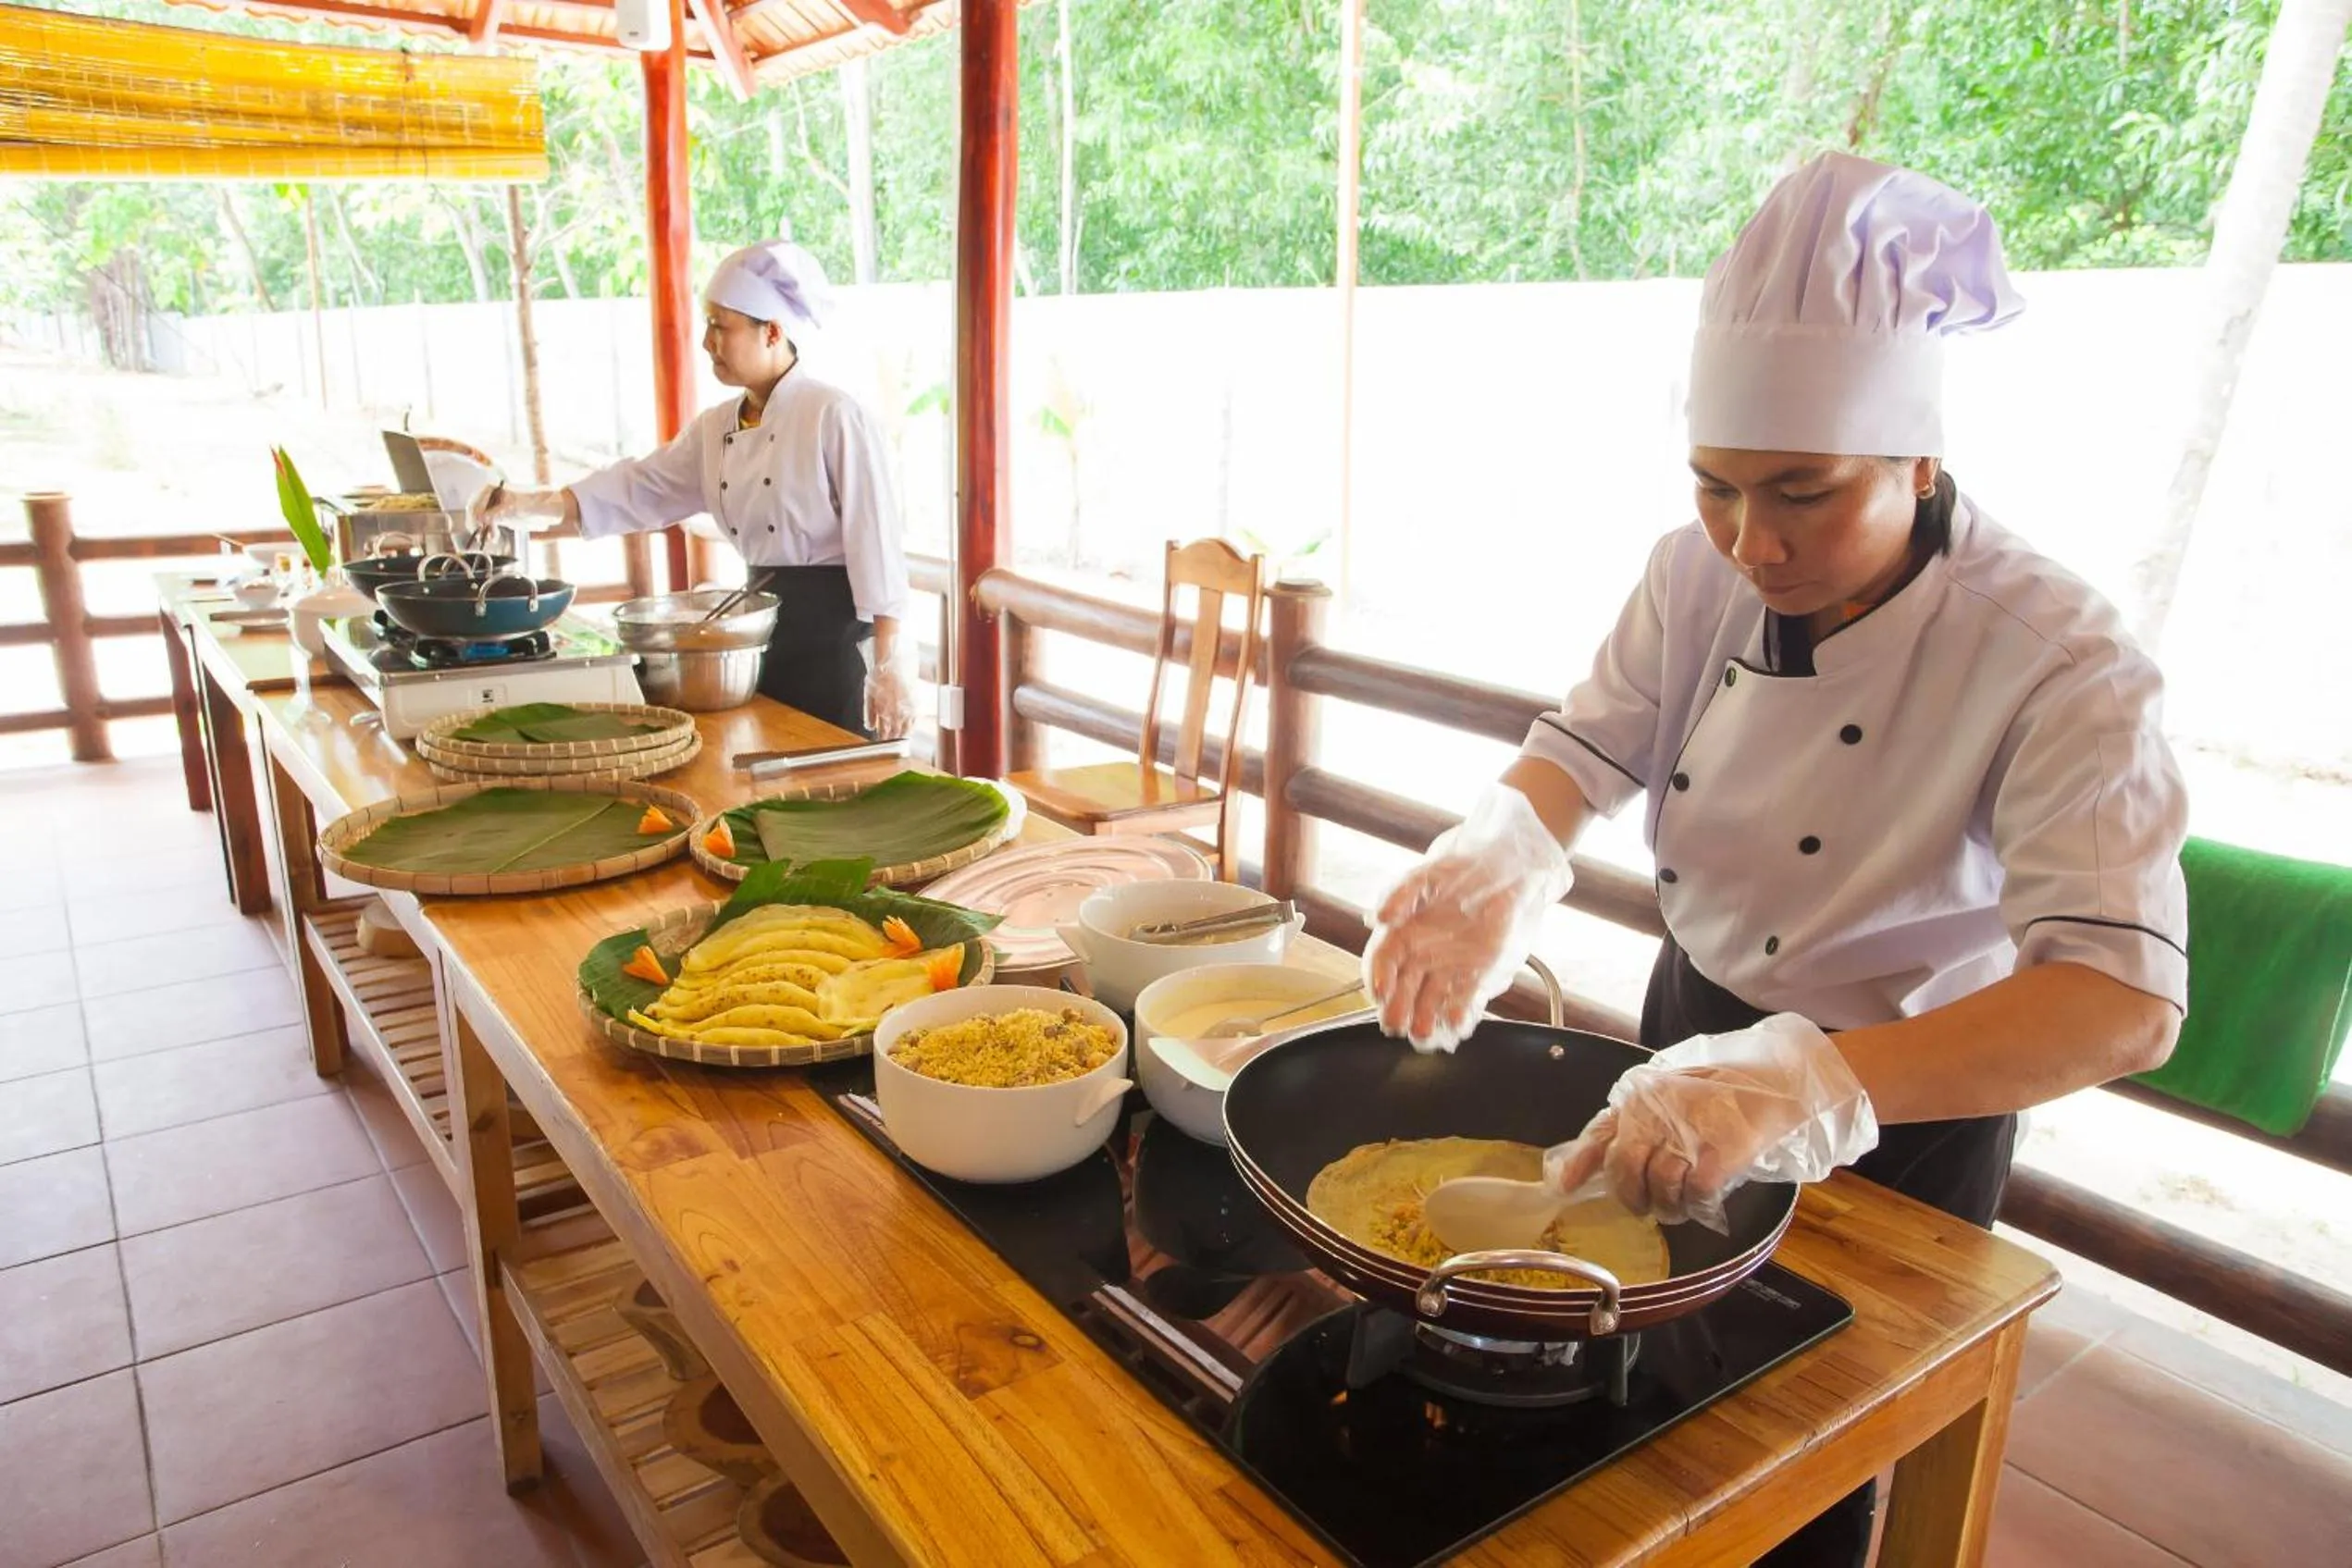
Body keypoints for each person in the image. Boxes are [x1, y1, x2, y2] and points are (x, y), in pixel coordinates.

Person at [1363, 152, 2187, 1565]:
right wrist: (1505, 844)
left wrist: (1811, 1082)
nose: (1753, 543)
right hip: (1686, 1029)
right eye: (1716, 489)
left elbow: (2118, 999)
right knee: (1646, 1396)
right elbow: (1592, 743)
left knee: (1806, 1444)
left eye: (1802, 493)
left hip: (1907, 1094)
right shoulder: (1691, 571)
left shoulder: (2061, 656)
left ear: (1918, 460)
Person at [475, 240, 914, 739]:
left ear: (771, 331)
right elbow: (638, 488)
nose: (707, 342)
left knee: (833, 786)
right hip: (757, 635)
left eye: (720, 326)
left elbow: (876, 545)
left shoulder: (833, 414)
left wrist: (889, 664)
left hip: (833, 639)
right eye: (707, 324)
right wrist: (529, 504)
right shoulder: (717, 426)